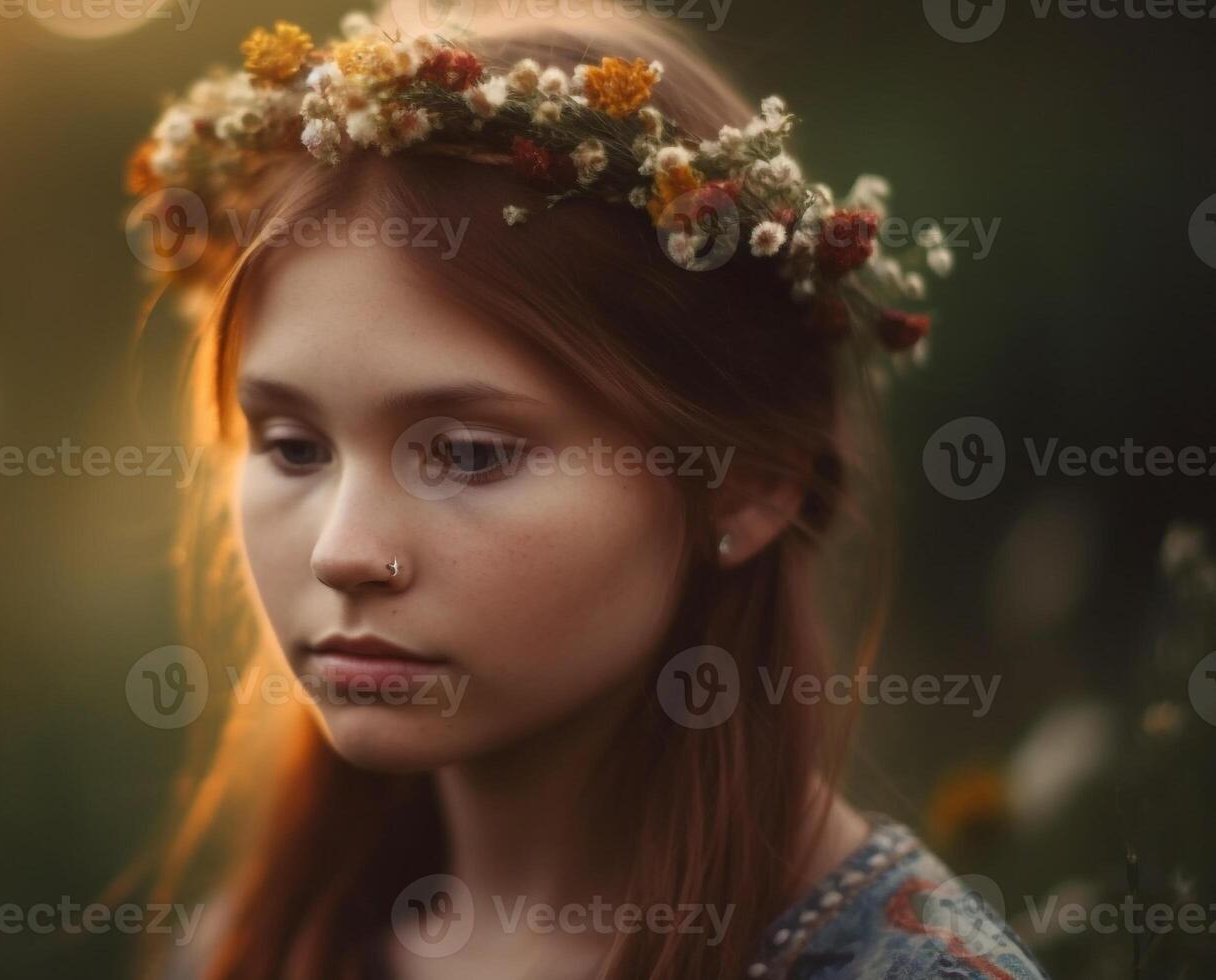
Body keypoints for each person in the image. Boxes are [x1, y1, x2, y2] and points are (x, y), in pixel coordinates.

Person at [124, 5, 1045, 977]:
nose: (341, 550)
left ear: (746, 483)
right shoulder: (251, 948)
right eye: (293, 446)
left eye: (470, 454)